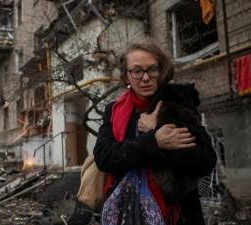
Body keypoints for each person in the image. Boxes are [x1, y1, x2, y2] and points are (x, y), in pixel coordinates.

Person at [93, 39, 217, 225]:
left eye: (152, 69)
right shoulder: (115, 110)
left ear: (162, 71)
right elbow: (104, 157)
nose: (145, 77)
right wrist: (153, 141)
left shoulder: (177, 102)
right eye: (136, 71)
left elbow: (205, 161)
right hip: (127, 210)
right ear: (126, 77)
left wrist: (154, 130)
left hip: (178, 214)